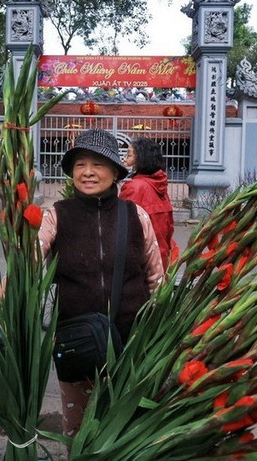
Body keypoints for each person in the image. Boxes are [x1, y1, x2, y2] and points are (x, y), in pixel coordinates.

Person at [38, 129, 163, 438]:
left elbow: (156, 276)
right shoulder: (57, 215)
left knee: (123, 427)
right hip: (76, 341)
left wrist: (160, 328)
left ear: (115, 172)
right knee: (78, 430)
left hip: (130, 341)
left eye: (98, 164)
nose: (88, 172)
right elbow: (31, 257)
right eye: (80, 164)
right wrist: (10, 281)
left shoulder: (136, 216)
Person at [120, 138, 176, 271]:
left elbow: (121, 226)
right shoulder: (160, 186)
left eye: (128, 154)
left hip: (141, 260)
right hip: (161, 256)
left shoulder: (134, 187)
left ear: (140, 159)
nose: (124, 159)